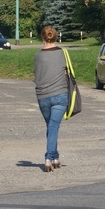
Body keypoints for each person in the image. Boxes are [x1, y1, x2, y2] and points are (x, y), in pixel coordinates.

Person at [34, 25, 69, 172]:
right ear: (55, 37)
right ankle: (49, 158)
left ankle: (54, 157)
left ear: (43, 37)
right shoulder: (63, 53)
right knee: (53, 127)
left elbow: (36, 74)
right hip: (60, 94)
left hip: (43, 96)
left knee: (51, 126)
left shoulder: (38, 55)